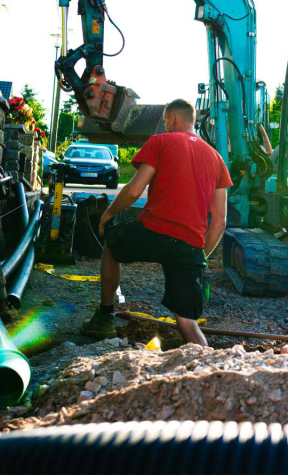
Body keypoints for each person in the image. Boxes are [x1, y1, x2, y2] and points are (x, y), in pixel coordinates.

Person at [80, 99, 231, 345]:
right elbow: (220, 222)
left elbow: (133, 190)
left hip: (152, 232)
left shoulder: (161, 142)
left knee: (112, 245)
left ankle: (105, 318)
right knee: (186, 322)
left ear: (171, 118)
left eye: (165, 120)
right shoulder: (216, 159)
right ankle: (210, 366)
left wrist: (109, 213)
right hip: (188, 243)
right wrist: (198, 256)